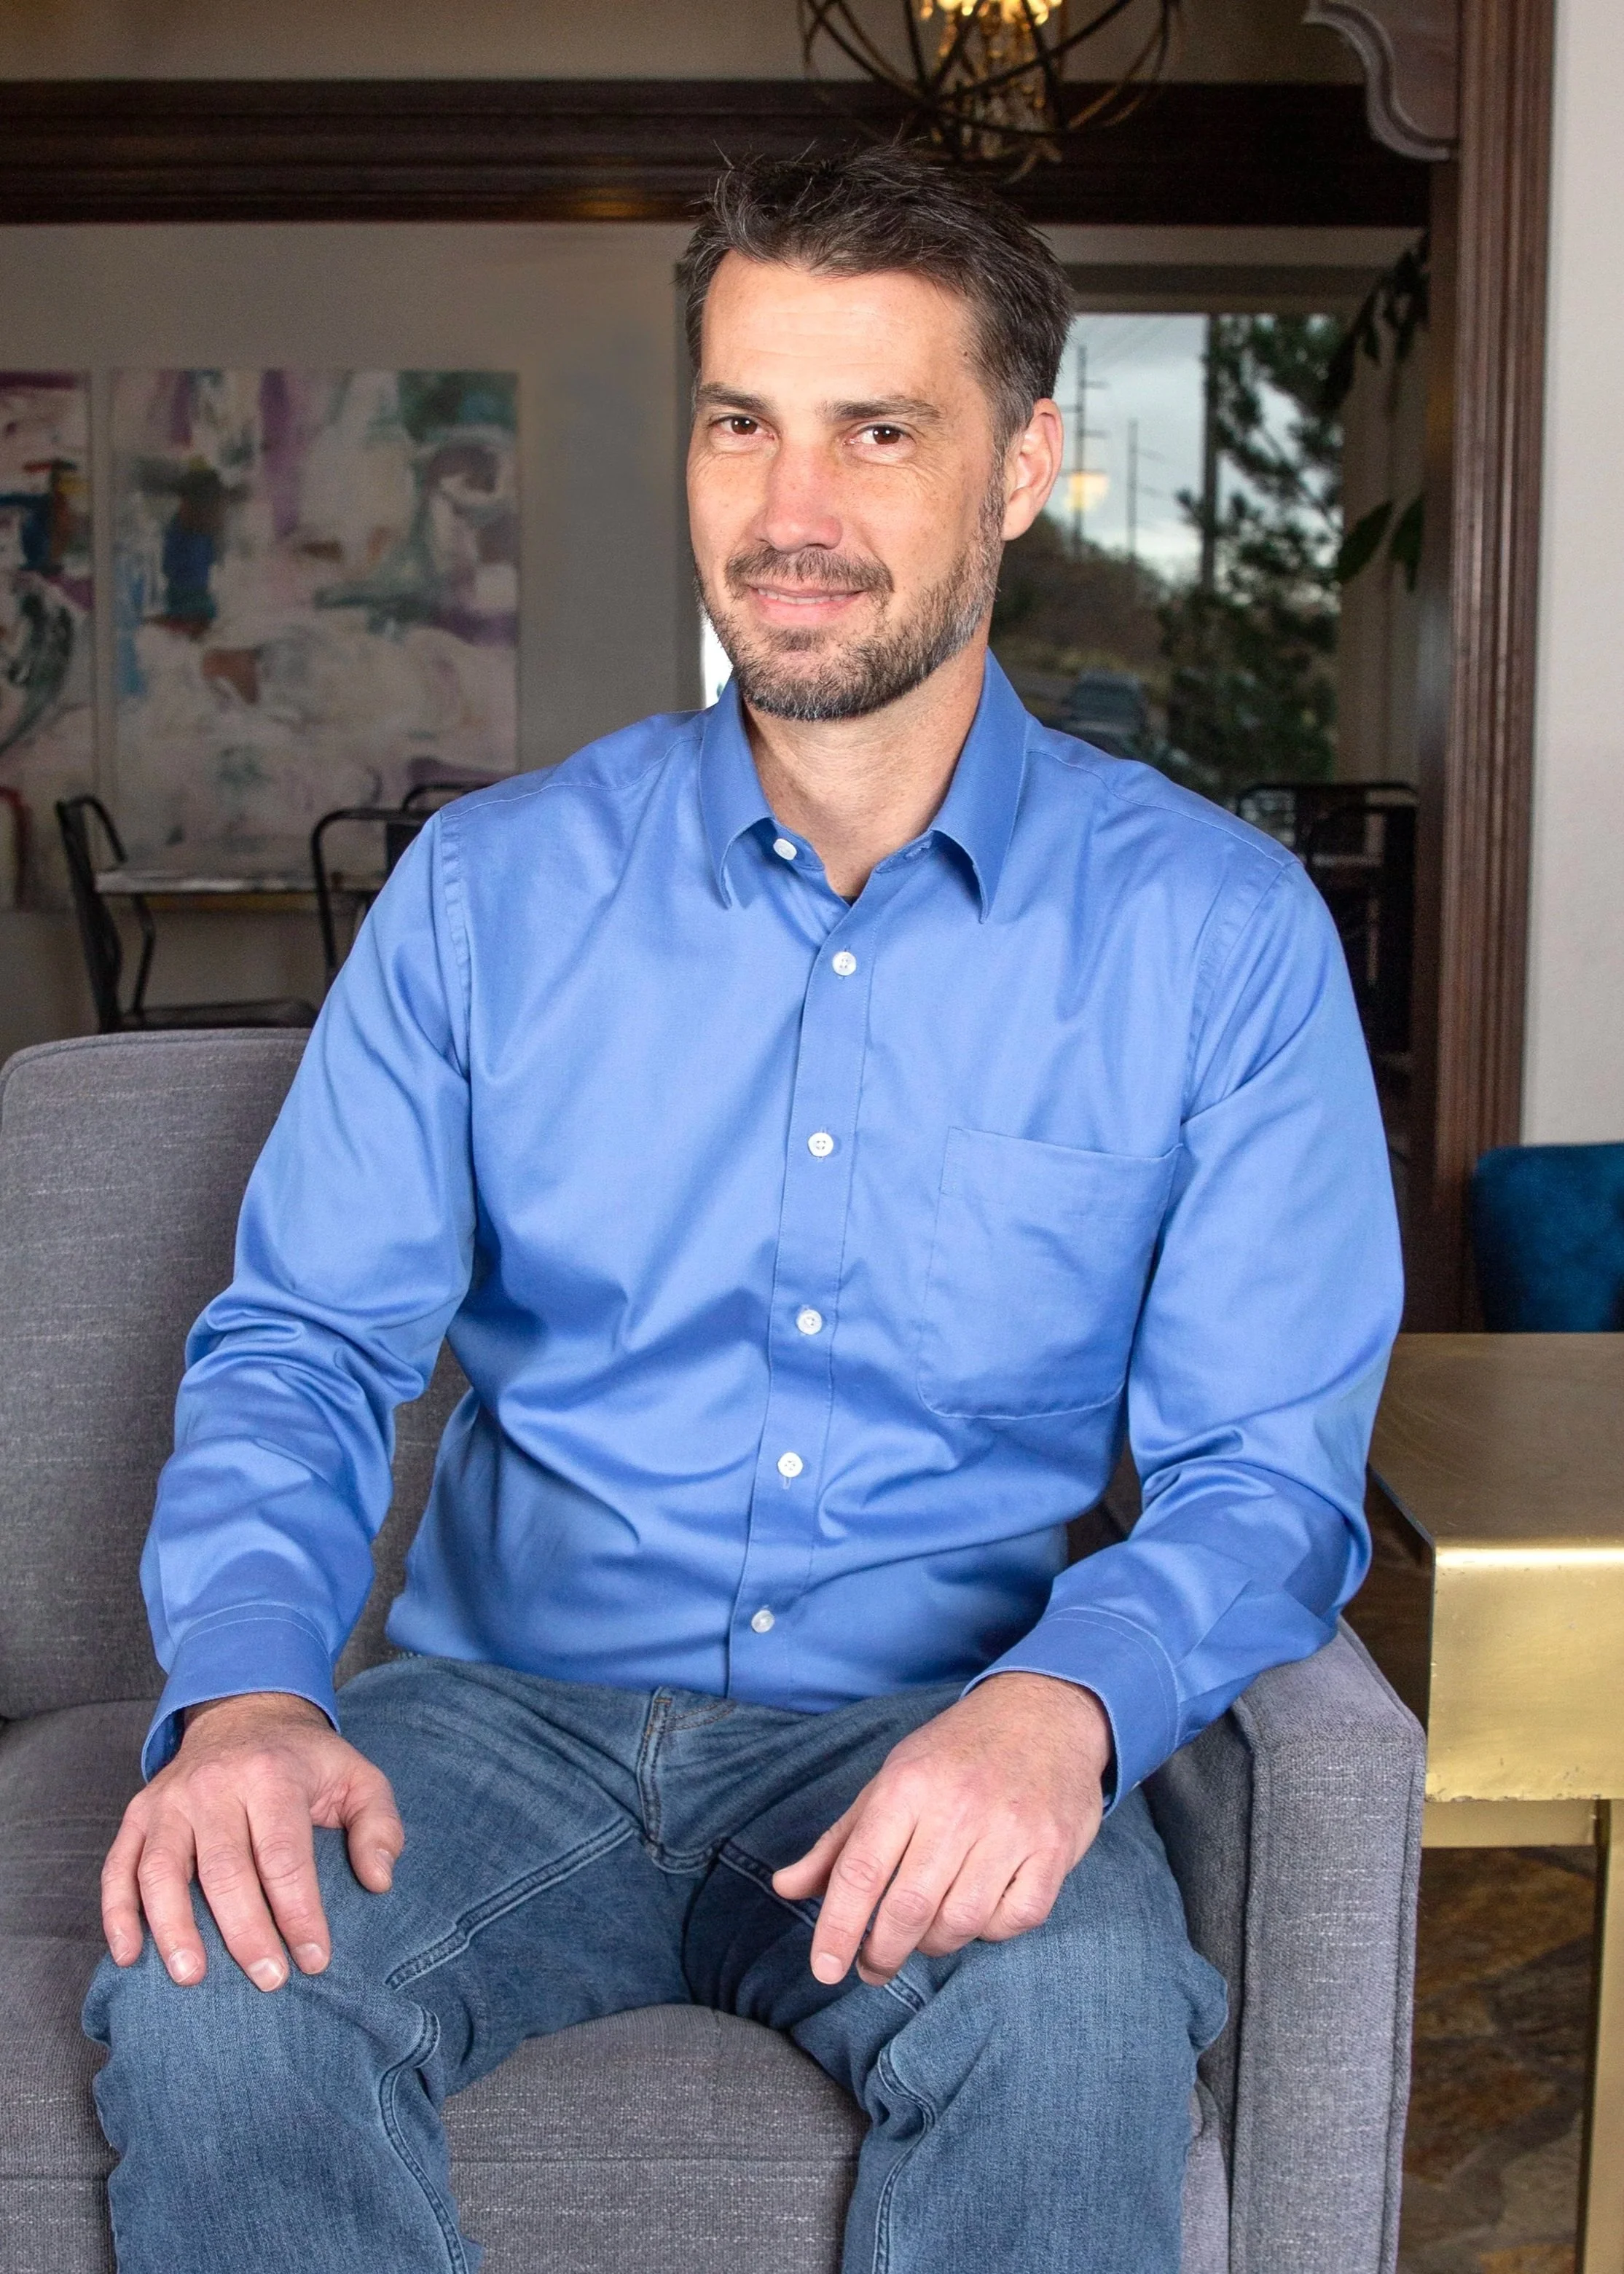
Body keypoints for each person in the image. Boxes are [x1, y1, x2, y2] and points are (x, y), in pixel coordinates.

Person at [85, 149, 1402, 2274]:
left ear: (1021, 466)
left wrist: (1058, 1713)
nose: (791, 513)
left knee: (1070, 2017)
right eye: (739, 421)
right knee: (216, 1991)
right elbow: (306, 1346)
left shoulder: (1215, 938)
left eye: (879, 431)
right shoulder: (490, 895)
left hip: (931, 1717)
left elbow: (1264, 1474)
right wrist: (243, 1691)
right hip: (491, 1726)